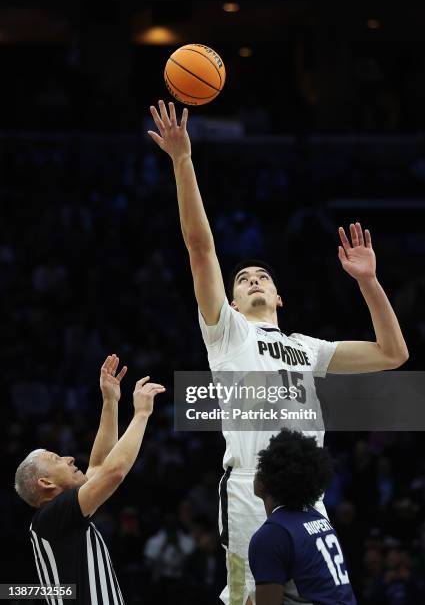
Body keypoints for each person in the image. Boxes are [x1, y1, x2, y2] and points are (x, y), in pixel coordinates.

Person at [148, 100, 408, 605]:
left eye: (262, 277)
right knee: (252, 601)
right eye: (242, 281)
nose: (252, 281)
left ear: (279, 296)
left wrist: (370, 282)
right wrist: (183, 161)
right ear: (232, 299)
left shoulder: (306, 349)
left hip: (309, 495)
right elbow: (201, 249)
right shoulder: (227, 334)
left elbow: (392, 353)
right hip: (252, 489)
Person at [14, 354, 165, 604]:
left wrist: (110, 401)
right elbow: (113, 472)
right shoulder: (50, 518)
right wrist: (141, 414)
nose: (70, 458)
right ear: (46, 483)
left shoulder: (59, 519)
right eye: (56, 459)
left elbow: (99, 466)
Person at [249, 428, 357, 605]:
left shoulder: (272, 536)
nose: (256, 472)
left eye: (261, 467)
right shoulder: (319, 520)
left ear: (267, 481)